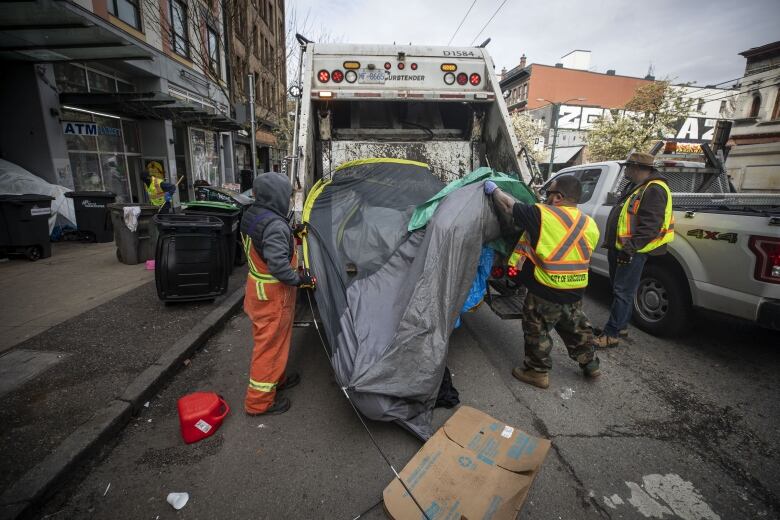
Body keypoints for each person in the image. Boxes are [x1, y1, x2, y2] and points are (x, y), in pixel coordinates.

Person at [485, 175, 601, 389]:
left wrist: (493, 190)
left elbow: (509, 206)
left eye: (549, 194)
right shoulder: (590, 224)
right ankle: (591, 364)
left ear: (558, 197)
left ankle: (536, 372)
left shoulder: (542, 215)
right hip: (575, 288)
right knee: (575, 326)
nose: (545, 198)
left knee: (537, 329)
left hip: (546, 289)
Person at [240, 172, 316, 415]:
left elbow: (266, 244)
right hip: (273, 296)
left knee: (277, 342)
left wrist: (292, 233)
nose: (289, 198)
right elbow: (279, 265)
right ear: (277, 196)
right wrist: (300, 279)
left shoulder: (255, 214)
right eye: (288, 194)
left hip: (259, 292)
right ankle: (258, 403)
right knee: (269, 347)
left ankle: (277, 380)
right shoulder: (273, 225)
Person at [594, 152, 674, 349]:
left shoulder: (654, 189)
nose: (626, 170)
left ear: (637, 168)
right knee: (620, 289)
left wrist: (628, 250)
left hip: (632, 251)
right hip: (622, 248)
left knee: (623, 292)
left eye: (628, 166)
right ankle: (620, 326)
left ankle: (611, 334)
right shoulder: (637, 186)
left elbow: (650, 227)